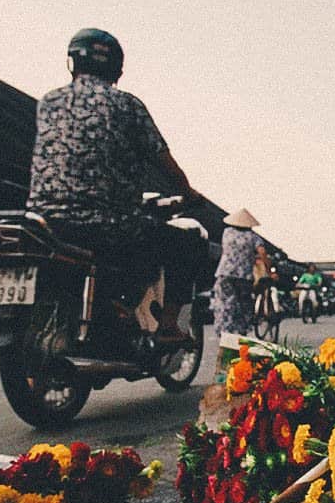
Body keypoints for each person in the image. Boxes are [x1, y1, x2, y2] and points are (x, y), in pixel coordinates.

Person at [26, 27, 205, 340]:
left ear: (72, 62)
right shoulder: (126, 105)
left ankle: (113, 308)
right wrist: (188, 193)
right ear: (116, 69)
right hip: (107, 222)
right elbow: (163, 160)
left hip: (45, 221)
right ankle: (167, 326)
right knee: (185, 241)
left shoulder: (48, 102)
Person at [212, 207, 265, 337]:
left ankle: (224, 332)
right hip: (244, 277)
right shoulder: (254, 237)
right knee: (244, 305)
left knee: (225, 303)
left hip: (225, 273)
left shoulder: (227, 232)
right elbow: (262, 253)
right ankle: (241, 332)